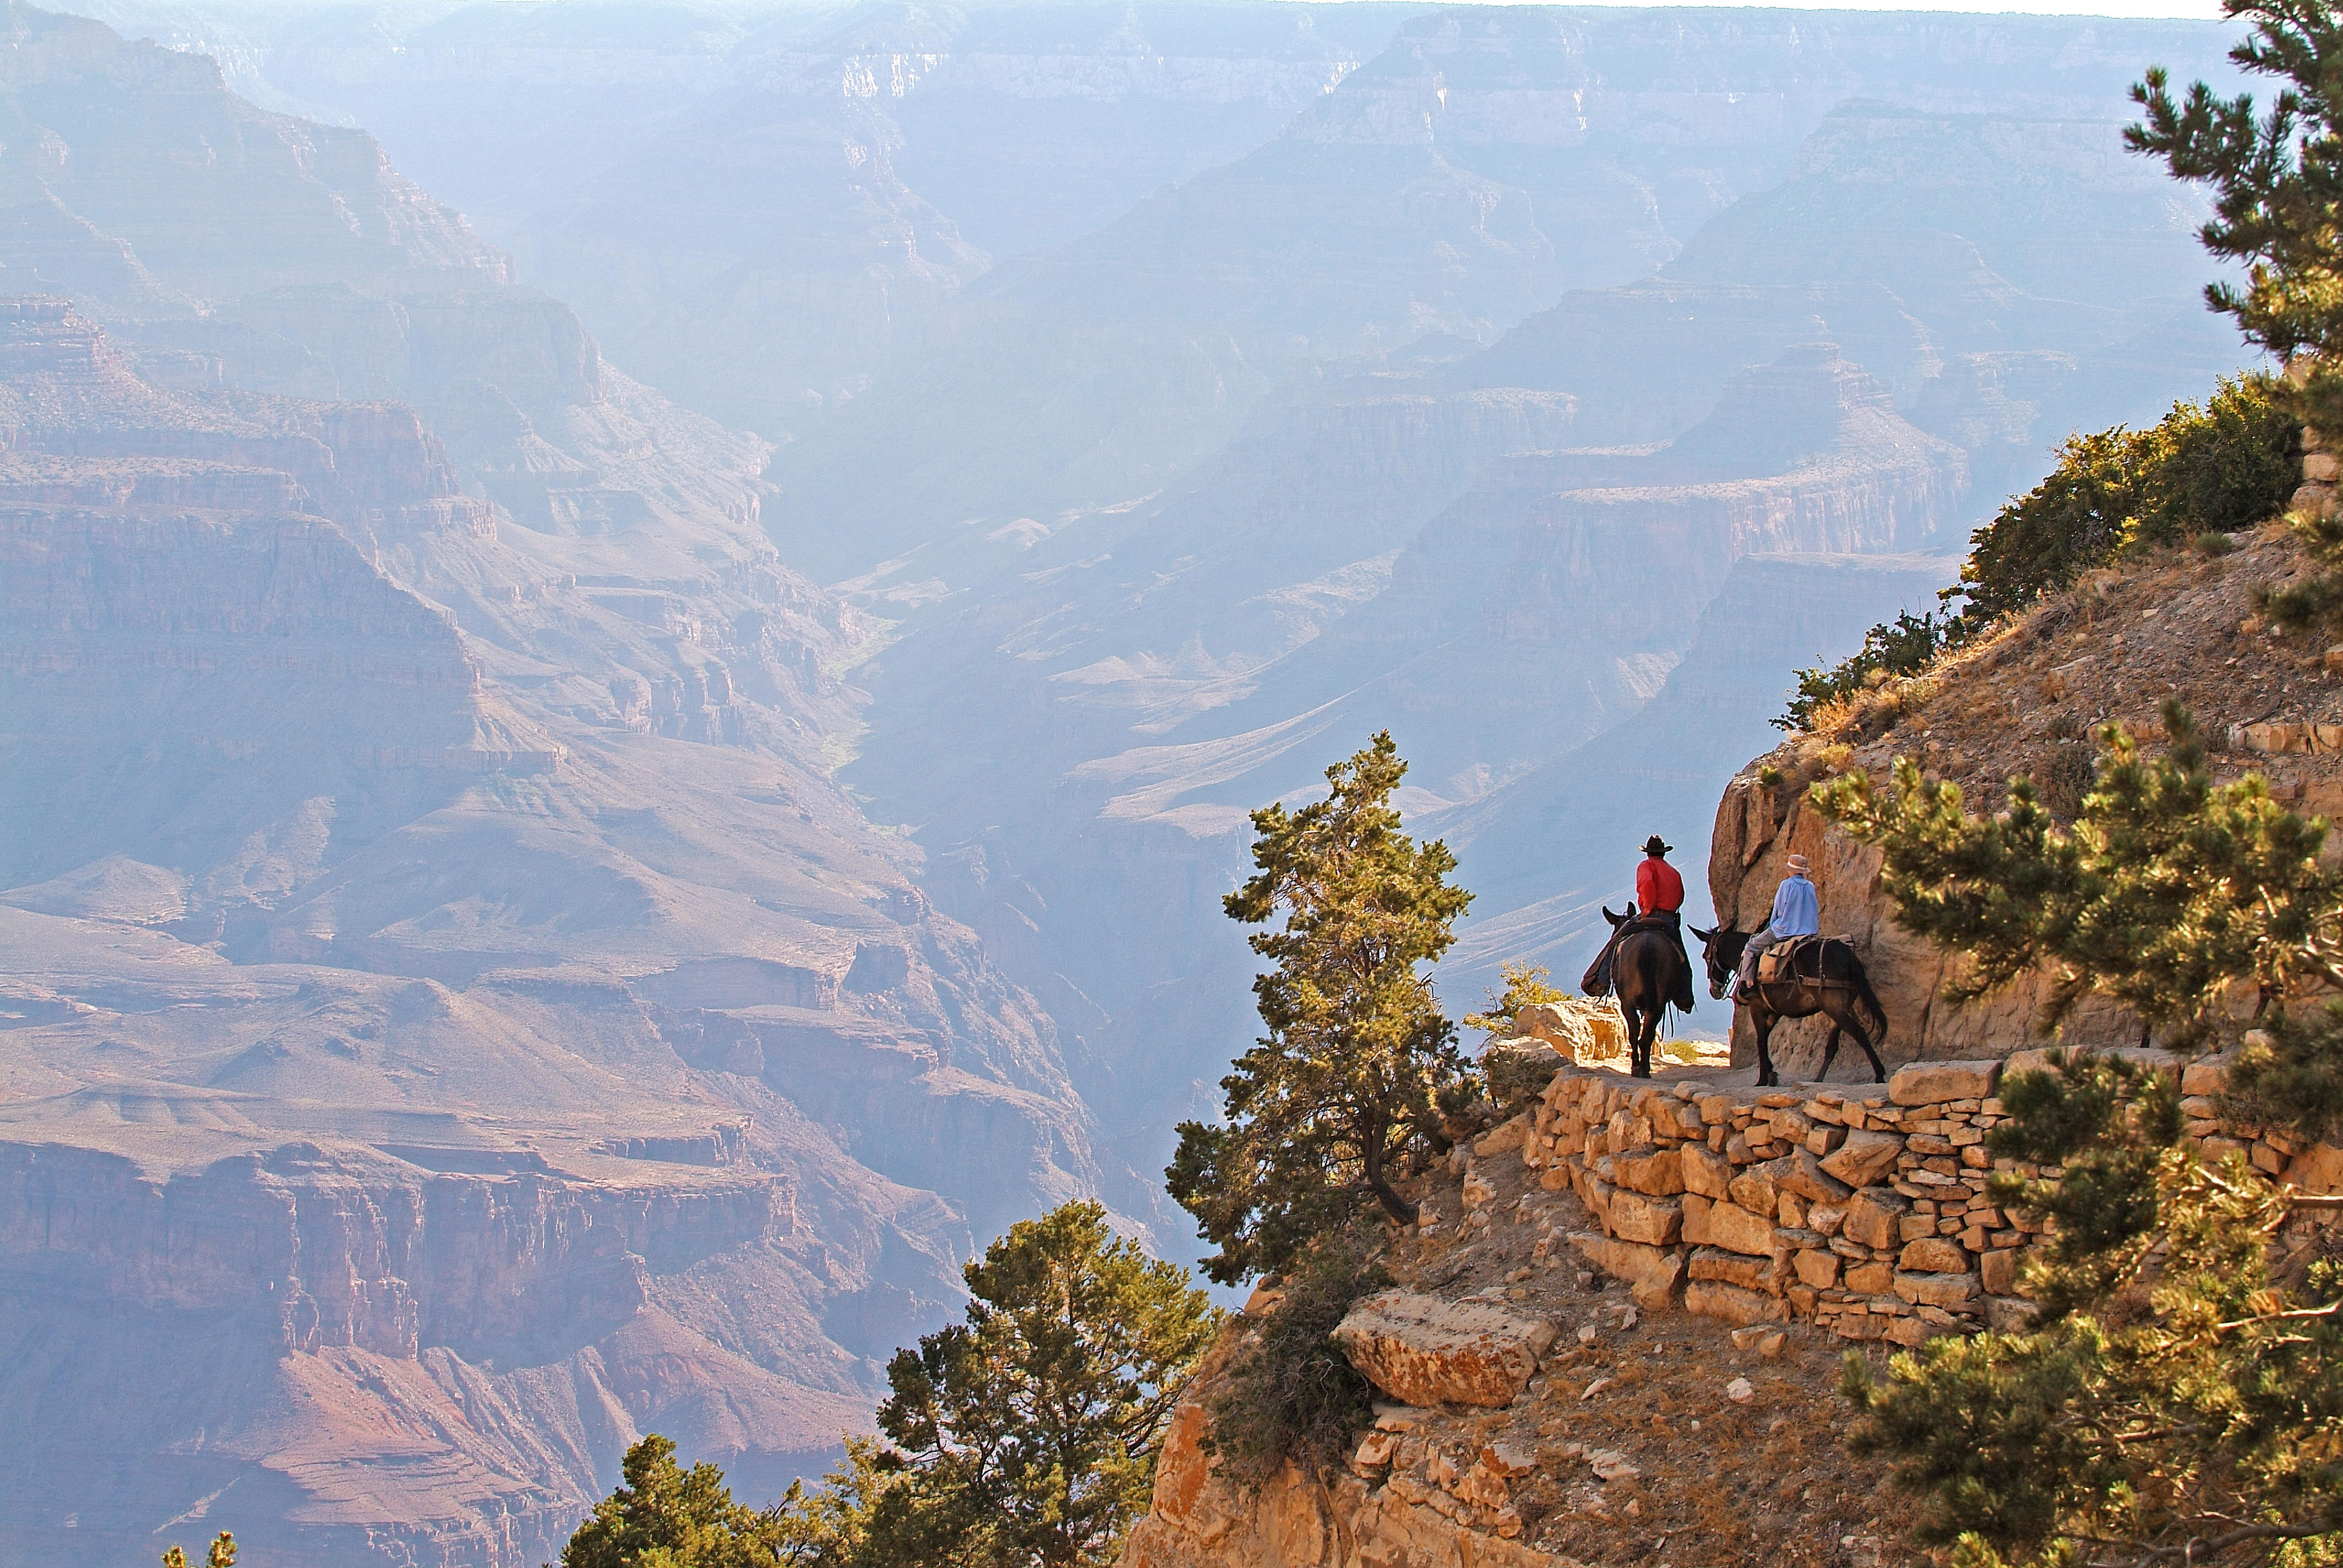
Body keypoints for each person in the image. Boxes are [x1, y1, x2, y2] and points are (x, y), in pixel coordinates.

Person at [1737, 853, 1821, 999]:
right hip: (1809, 931)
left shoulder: (1786, 885)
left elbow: (1779, 909)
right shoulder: (1810, 886)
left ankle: (1748, 982)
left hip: (1786, 930)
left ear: (1791, 871)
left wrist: (1773, 925)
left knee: (1752, 946)